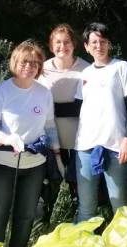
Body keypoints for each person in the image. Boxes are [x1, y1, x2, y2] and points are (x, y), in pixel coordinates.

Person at [0, 40, 61, 247]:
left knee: (26, 217)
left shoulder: (43, 93)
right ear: (15, 63)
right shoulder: (1, 91)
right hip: (4, 162)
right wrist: (7, 138)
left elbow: (50, 125)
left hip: (35, 165)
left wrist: (57, 154)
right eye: (25, 62)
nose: (30, 67)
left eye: (35, 63)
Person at [74, 22, 127, 221]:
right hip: (85, 148)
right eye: (93, 42)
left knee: (120, 207)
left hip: (115, 146)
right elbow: (79, 110)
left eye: (102, 41)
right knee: (86, 208)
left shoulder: (122, 68)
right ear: (86, 46)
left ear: (109, 44)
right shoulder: (84, 74)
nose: (98, 46)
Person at [38, 23, 90, 222]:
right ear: (51, 46)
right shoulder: (42, 69)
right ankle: (41, 229)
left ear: (74, 44)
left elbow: (90, 104)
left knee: (79, 189)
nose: (62, 46)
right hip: (50, 140)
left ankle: (82, 229)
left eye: (66, 42)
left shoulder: (86, 68)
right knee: (47, 188)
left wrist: (55, 108)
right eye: (57, 42)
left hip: (79, 139)